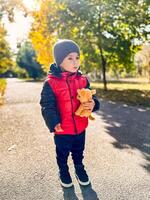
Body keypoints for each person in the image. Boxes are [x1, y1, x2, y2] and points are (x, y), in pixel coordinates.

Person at [40, 39, 100, 188]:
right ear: (60, 61)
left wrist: (94, 104)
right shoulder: (51, 82)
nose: (75, 62)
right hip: (62, 129)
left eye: (77, 58)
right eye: (70, 58)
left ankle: (79, 169)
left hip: (80, 127)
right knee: (62, 153)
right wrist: (53, 122)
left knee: (79, 152)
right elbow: (47, 105)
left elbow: (91, 97)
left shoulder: (83, 80)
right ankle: (63, 170)